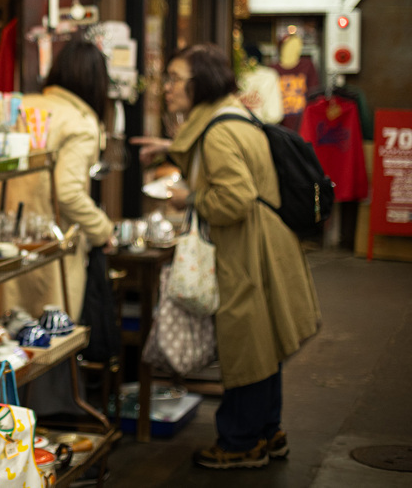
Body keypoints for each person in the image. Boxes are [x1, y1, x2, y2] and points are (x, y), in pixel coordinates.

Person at [132, 44, 320, 469]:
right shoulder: (229, 116)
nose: (166, 87)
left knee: (247, 345)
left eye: (175, 78)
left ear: (201, 84)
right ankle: (268, 433)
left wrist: (188, 198)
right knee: (264, 343)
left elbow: (234, 199)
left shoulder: (217, 131)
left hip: (247, 249)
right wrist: (173, 147)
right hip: (265, 242)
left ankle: (240, 443)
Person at [0, 35, 115, 323]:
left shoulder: (19, 106)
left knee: (0, 333)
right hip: (47, 251)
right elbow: (68, 192)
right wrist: (102, 230)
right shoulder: (80, 123)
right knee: (47, 335)